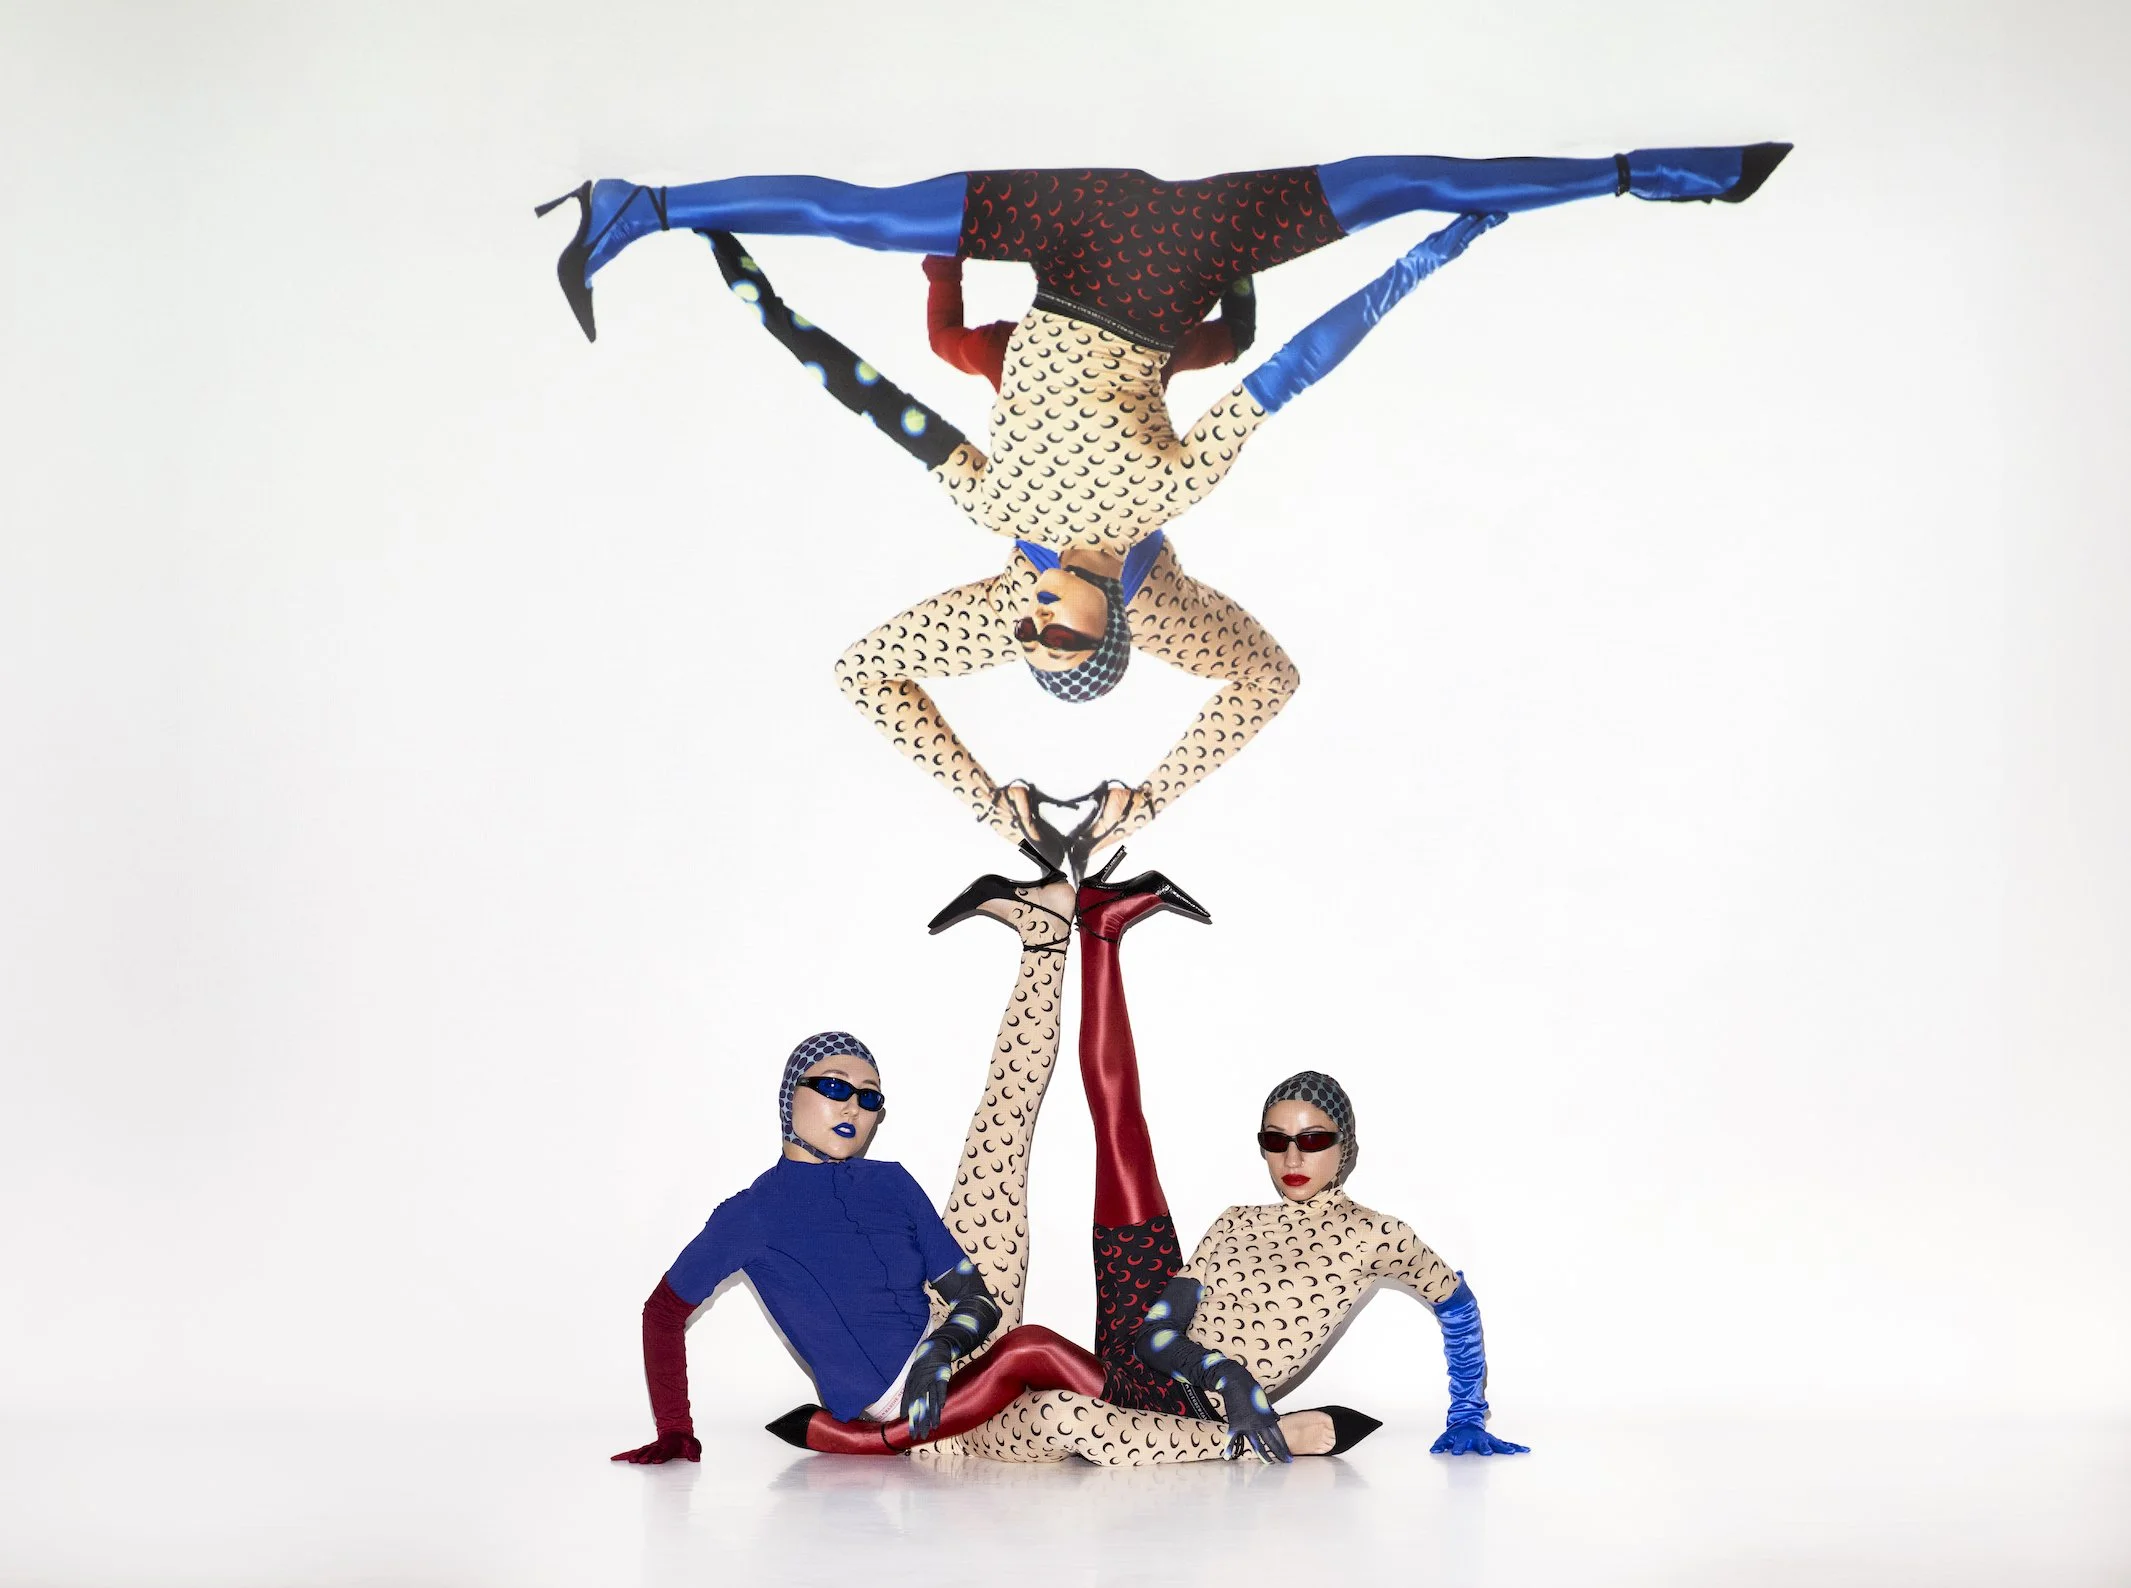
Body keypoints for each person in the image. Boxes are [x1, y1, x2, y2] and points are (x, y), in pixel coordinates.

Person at [539, 146, 1786, 860]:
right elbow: (1295, 383)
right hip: (1174, 252)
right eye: (1060, 634)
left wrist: (991, 802)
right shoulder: (1162, 497)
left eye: (1023, 632)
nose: (1031, 619)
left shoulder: (997, 520)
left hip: (1064, 226)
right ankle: (1650, 172)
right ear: (1116, 622)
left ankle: (638, 208)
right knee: (1404, 183)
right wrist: (1149, 796)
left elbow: (866, 408)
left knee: (862, 220)